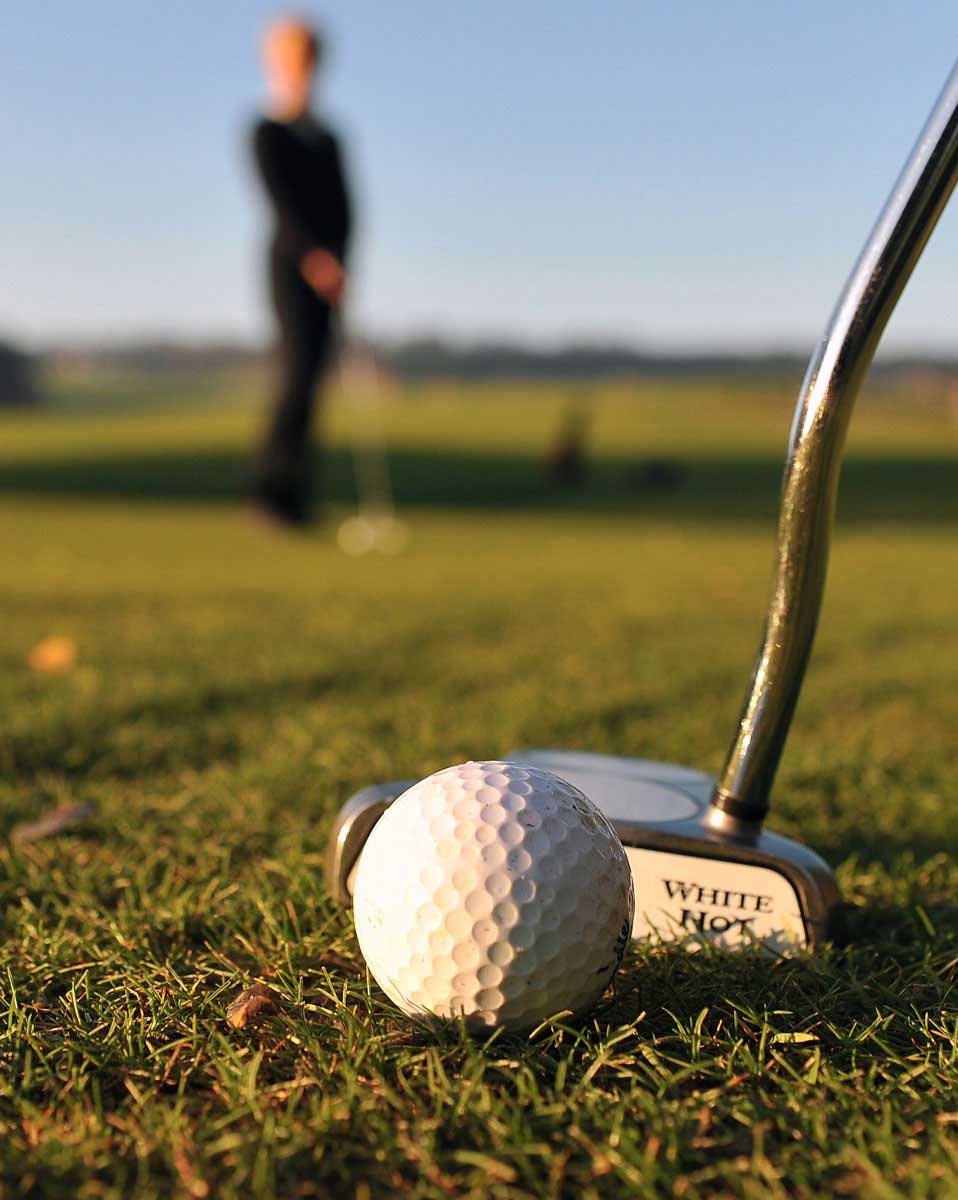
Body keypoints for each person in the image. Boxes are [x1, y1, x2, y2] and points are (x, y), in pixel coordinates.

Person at [251, 16, 353, 525]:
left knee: (314, 378)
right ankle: (270, 492)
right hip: (291, 268)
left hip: (332, 273)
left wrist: (341, 262)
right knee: (294, 375)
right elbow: (282, 206)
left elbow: (347, 208)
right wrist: (314, 257)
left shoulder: (328, 137)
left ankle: (299, 495)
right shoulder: (267, 131)